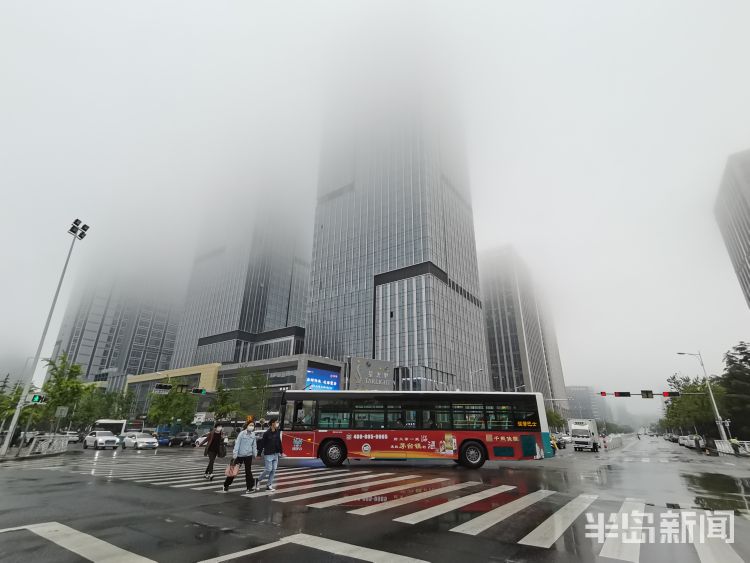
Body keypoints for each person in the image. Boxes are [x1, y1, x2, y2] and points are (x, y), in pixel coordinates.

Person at [222, 421, 258, 493]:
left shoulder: (253, 434)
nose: (252, 426)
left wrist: (255, 453)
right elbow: (237, 444)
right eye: (250, 425)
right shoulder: (242, 434)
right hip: (240, 455)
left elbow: (254, 445)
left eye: (253, 425)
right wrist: (235, 454)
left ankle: (249, 487)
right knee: (234, 470)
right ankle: (226, 484)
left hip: (248, 455)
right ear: (247, 425)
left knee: (248, 471)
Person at [255, 418, 283, 491]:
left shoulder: (278, 432)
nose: (277, 423)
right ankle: (258, 480)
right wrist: (259, 454)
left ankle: (269, 485)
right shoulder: (267, 433)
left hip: (275, 453)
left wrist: (281, 451)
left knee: (273, 470)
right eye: (276, 422)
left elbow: (279, 442)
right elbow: (262, 444)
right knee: (268, 469)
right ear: (272, 423)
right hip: (268, 453)